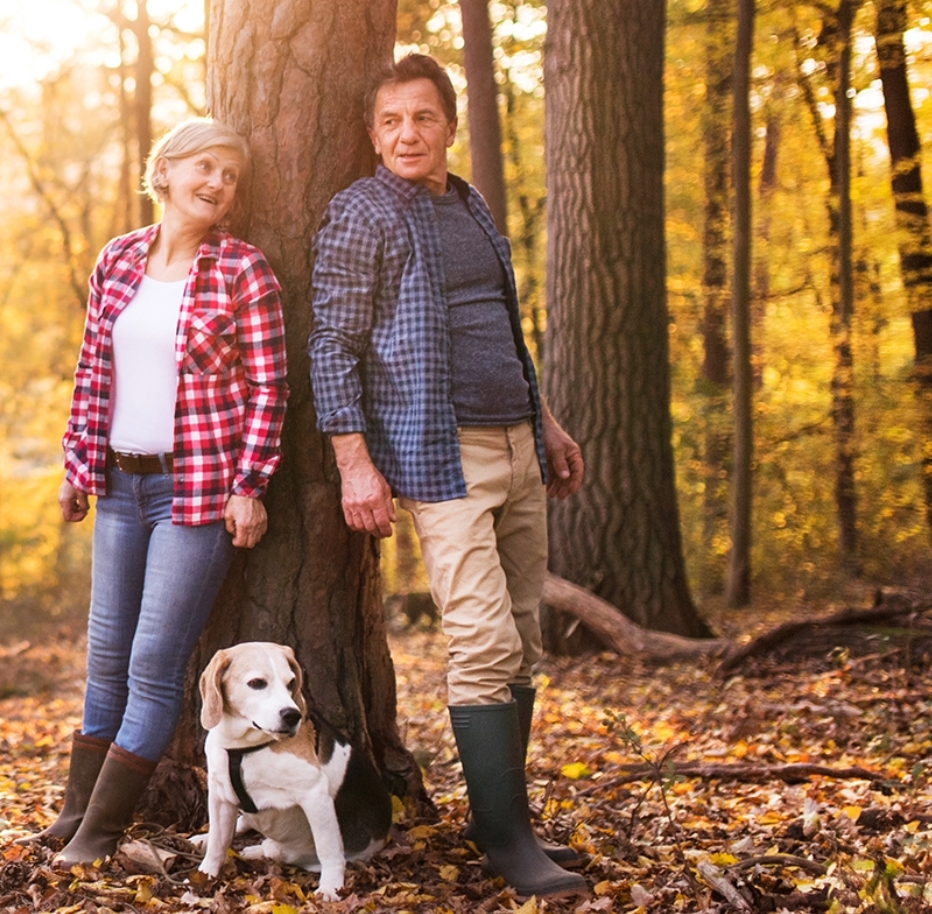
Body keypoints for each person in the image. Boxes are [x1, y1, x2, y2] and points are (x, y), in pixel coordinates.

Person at [308, 54, 588, 899]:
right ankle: (504, 837)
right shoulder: (360, 212)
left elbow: (501, 325)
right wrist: (354, 462)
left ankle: (508, 814)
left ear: (448, 125)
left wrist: (546, 422)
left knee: (526, 638)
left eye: (422, 118)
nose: (406, 135)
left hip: (518, 447)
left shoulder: (469, 203)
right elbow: (330, 343)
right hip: (442, 453)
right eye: (390, 121)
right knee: (482, 638)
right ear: (371, 133)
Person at [22, 119, 289, 869]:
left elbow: (271, 389)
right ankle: (75, 816)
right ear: (165, 171)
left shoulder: (243, 270)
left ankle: (101, 835)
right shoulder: (118, 259)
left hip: (195, 495)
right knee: (104, 657)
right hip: (119, 486)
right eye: (204, 167)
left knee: (151, 665)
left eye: (230, 176)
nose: (217, 184)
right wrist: (78, 465)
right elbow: (91, 372)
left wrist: (249, 485)